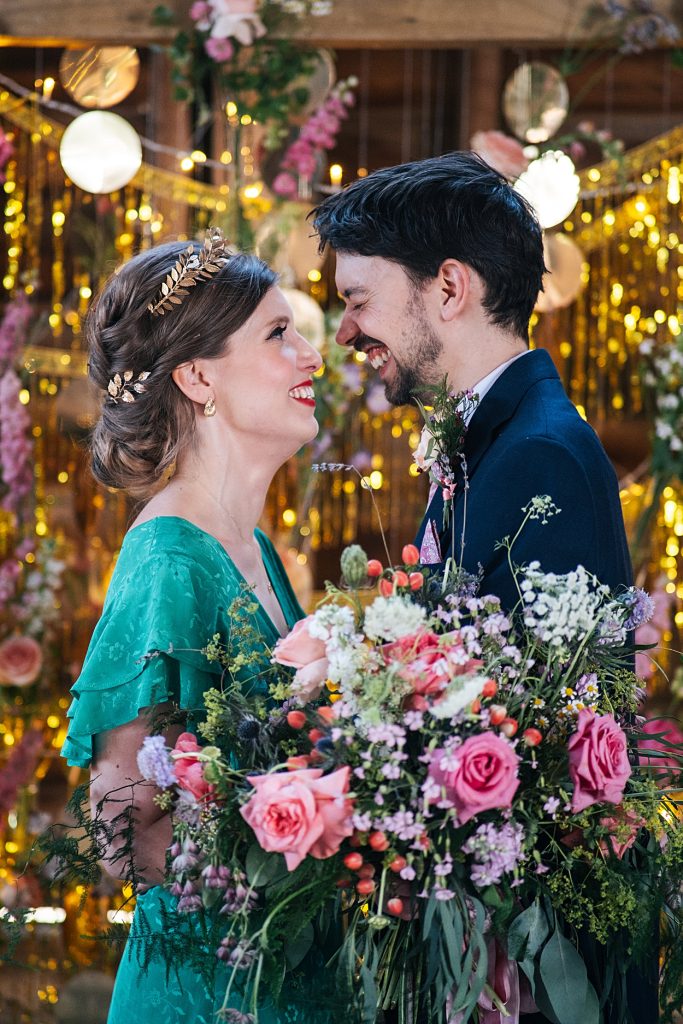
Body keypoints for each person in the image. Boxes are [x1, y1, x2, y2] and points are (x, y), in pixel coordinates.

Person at [312, 153, 656, 1023]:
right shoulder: (495, 440)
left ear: (449, 287)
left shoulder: (533, 451)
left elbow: (541, 751)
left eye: (357, 299)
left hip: (538, 973)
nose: (346, 332)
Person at [61, 231, 333, 1024]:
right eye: (278, 334)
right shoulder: (169, 561)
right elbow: (121, 822)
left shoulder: (252, 548)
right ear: (196, 376)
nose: (310, 354)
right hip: (210, 991)